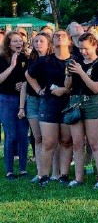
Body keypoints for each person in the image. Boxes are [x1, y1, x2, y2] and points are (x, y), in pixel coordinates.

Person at [25, 30, 74, 186]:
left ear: (69, 41)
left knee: (66, 141)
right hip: (48, 103)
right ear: (52, 41)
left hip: (69, 103)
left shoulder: (75, 60)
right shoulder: (45, 60)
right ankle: (44, 176)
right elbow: (28, 74)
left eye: (63, 36)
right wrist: (39, 90)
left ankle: (63, 175)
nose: (60, 37)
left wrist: (66, 90)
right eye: (56, 36)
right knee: (48, 142)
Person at [64, 33, 98, 189]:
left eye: (86, 48)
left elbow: (96, 88)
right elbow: (68, 86)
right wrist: (69, 74)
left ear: (95, 46)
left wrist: (81, 72)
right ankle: (78, 178)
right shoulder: (76, 62)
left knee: (94, 143)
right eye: (80, 48)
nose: (83, 51)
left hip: (92, 103)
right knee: (77, 143)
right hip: (74, 102)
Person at [20, 33, 54, 181]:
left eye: (41, 41)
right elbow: (27, 80)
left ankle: (54, 171)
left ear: (48, 44)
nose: (38, 43)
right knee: (37, 137)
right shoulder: (31, 60)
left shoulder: (53, 60)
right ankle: (40, 172)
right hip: (33, 100)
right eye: (36, 41)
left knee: (50, 139)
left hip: (49, 100)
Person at [0, 31, 29, 180]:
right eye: (15, 41)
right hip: (6, 99)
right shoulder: (1, 58)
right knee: (10, 135)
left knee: (23, 135)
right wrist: (11, 66)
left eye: (20, 41)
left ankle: (23, 169)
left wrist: (23, 84)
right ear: (8, 43)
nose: (19, 43)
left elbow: (26, 79)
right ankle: (10, 170)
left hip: (22, 100)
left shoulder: (25, 58)